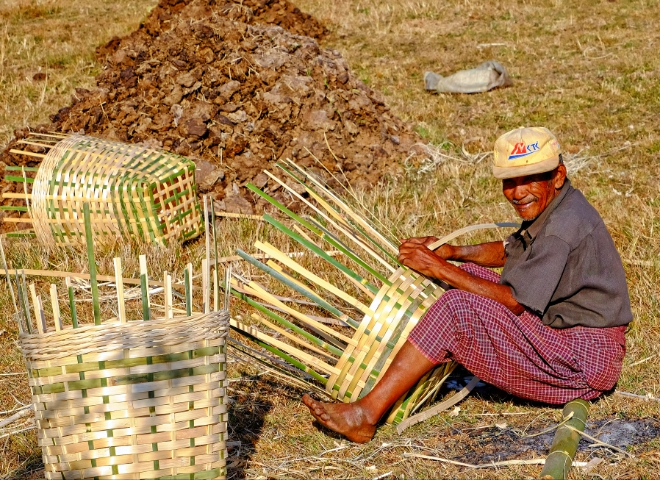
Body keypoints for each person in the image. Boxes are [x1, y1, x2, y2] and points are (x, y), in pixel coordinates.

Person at [302, 126, 633, 443]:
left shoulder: (562, 227)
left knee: (457, 307)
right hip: (568, 338)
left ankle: (366, 415)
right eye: (510, 182)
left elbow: (514, 301)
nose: (518, 193)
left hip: (582, 362)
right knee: (472, 277)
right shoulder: (558, 207)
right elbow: (510, 250)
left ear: (557, 176)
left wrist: (439, 268)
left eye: (529, 180)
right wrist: (453, 253)